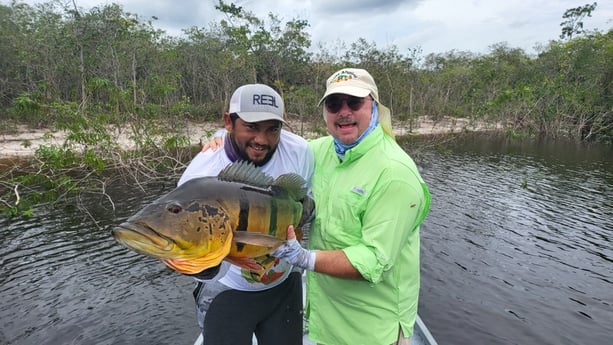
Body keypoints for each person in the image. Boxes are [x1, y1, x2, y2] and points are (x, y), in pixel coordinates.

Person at [273, 68, 431, 345]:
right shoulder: (321, 151)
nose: (343, 112)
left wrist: (304, 258)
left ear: (374, 106)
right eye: (334, 104)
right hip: (326, 318)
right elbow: (275, 144)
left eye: (354, 103)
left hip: (372, 329)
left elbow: (374, 260)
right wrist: (221, 140)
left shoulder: (394, 173)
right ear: (325, 112)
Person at [178, 83, 314, 345]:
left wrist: (304, 214)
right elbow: (204, 270)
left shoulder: (300, 151)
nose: (262, 139)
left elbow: (304, 200)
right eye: (251, 127)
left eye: (272, 128)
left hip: (285, 287)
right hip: (227, 293)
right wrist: (188, 260)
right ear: (229, 121)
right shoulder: (200, 175)